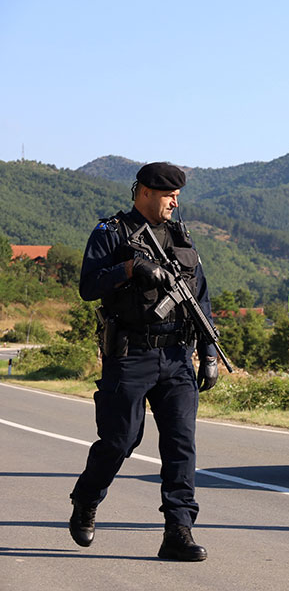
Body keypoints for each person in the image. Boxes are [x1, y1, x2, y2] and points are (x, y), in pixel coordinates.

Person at [68, 162, 218, 562]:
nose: (174, 201)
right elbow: (87, 286)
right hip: (130, 355)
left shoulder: (182, 237)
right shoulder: (111, 233)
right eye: (168, 195)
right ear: (144, 192)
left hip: (177, 357)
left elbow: (200, 298)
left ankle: (178, 531)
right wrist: (131, 268)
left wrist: (207, 353)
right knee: (120, 439)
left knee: (181, 445)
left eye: (177, 196)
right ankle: (85, 500)